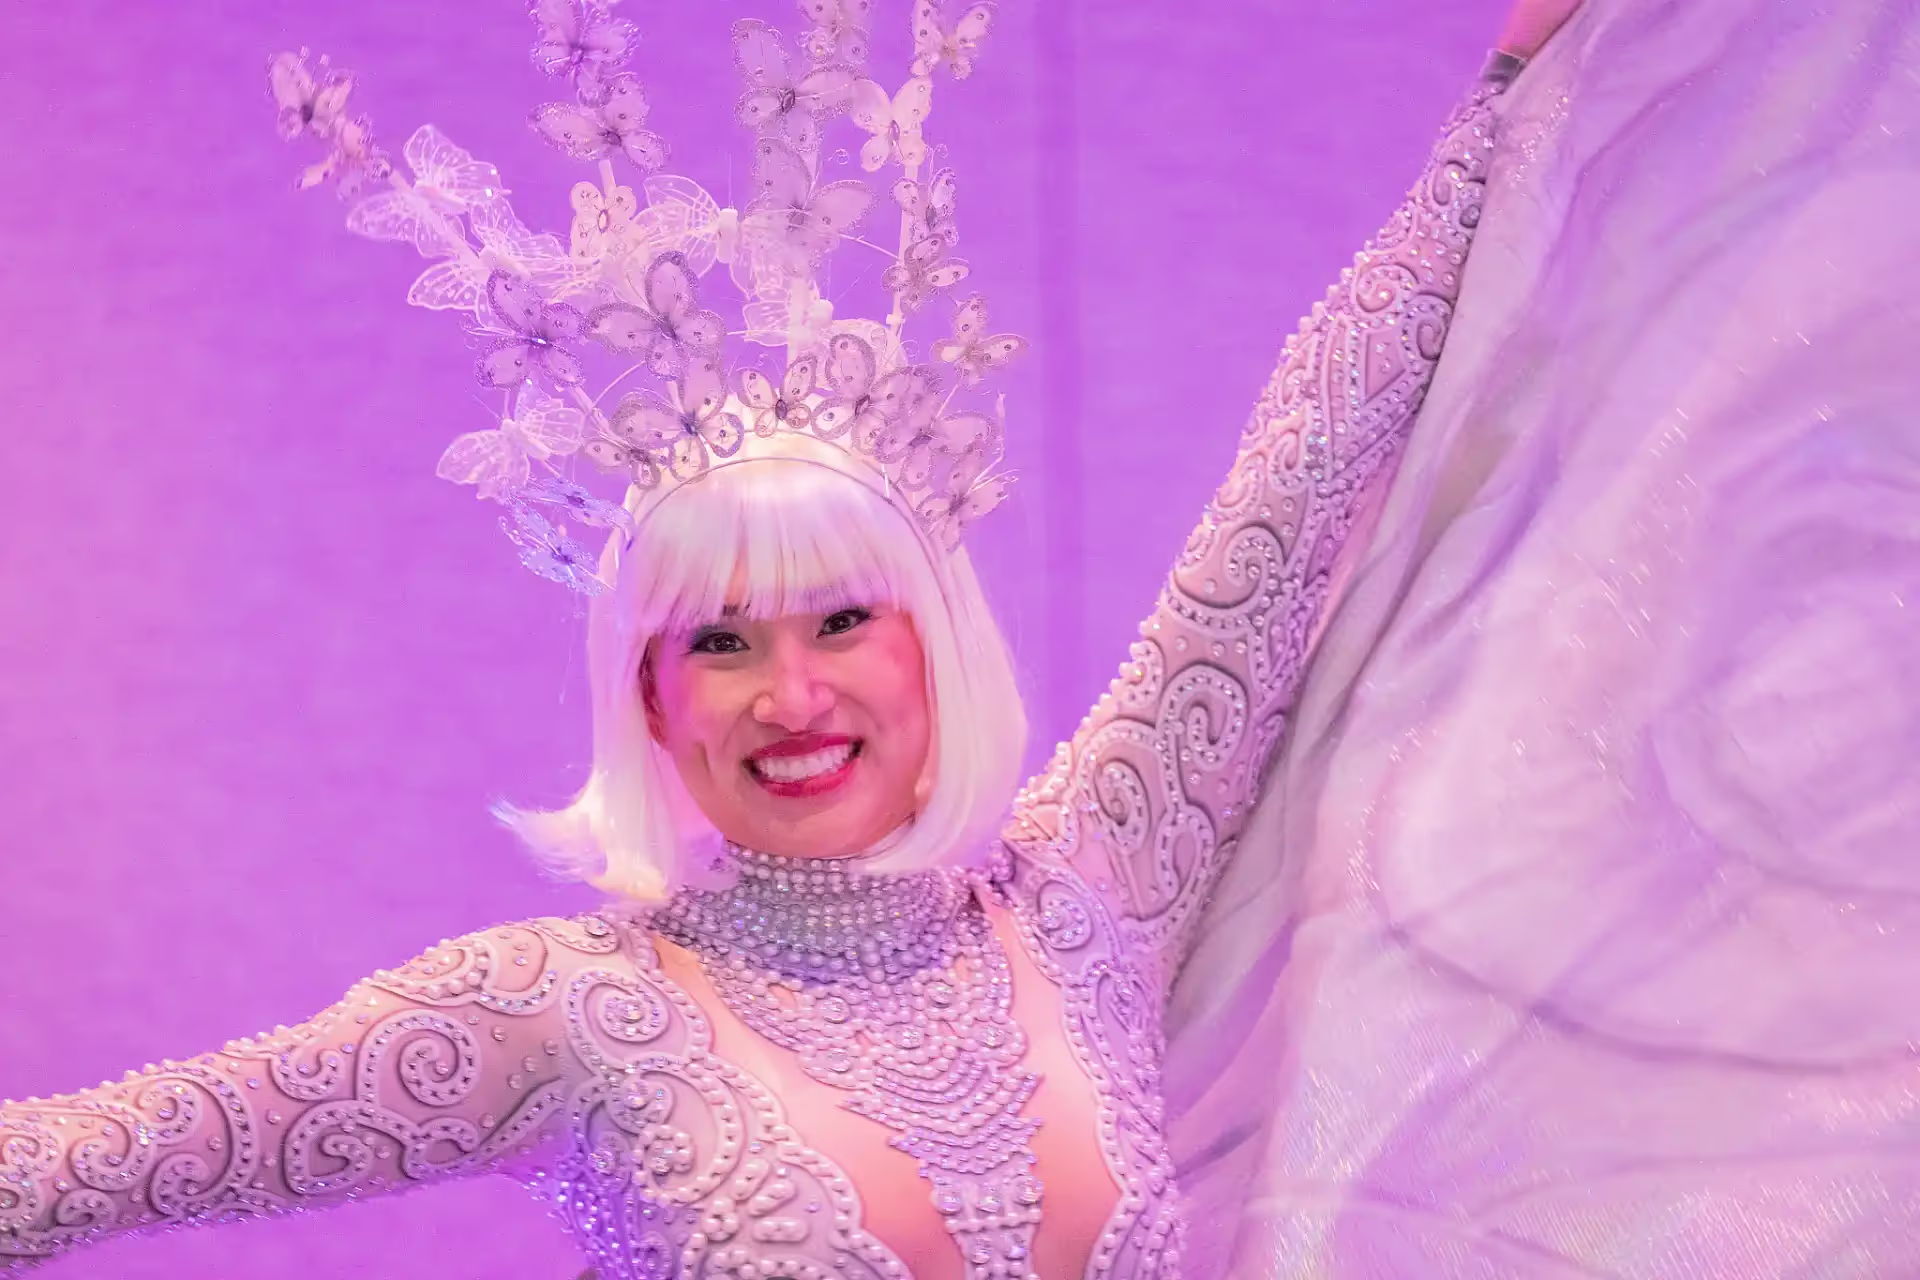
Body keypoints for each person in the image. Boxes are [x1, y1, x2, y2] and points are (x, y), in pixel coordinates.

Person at [1, 1, 1584, 1278]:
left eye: (841, 619)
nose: (797, 693)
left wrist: (1510, 101)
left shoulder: (1086, 892)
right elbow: (74, 1166)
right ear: (653, 700)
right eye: (724, 645)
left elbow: (1293, 496)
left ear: (931, 647)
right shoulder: (565, 1010)